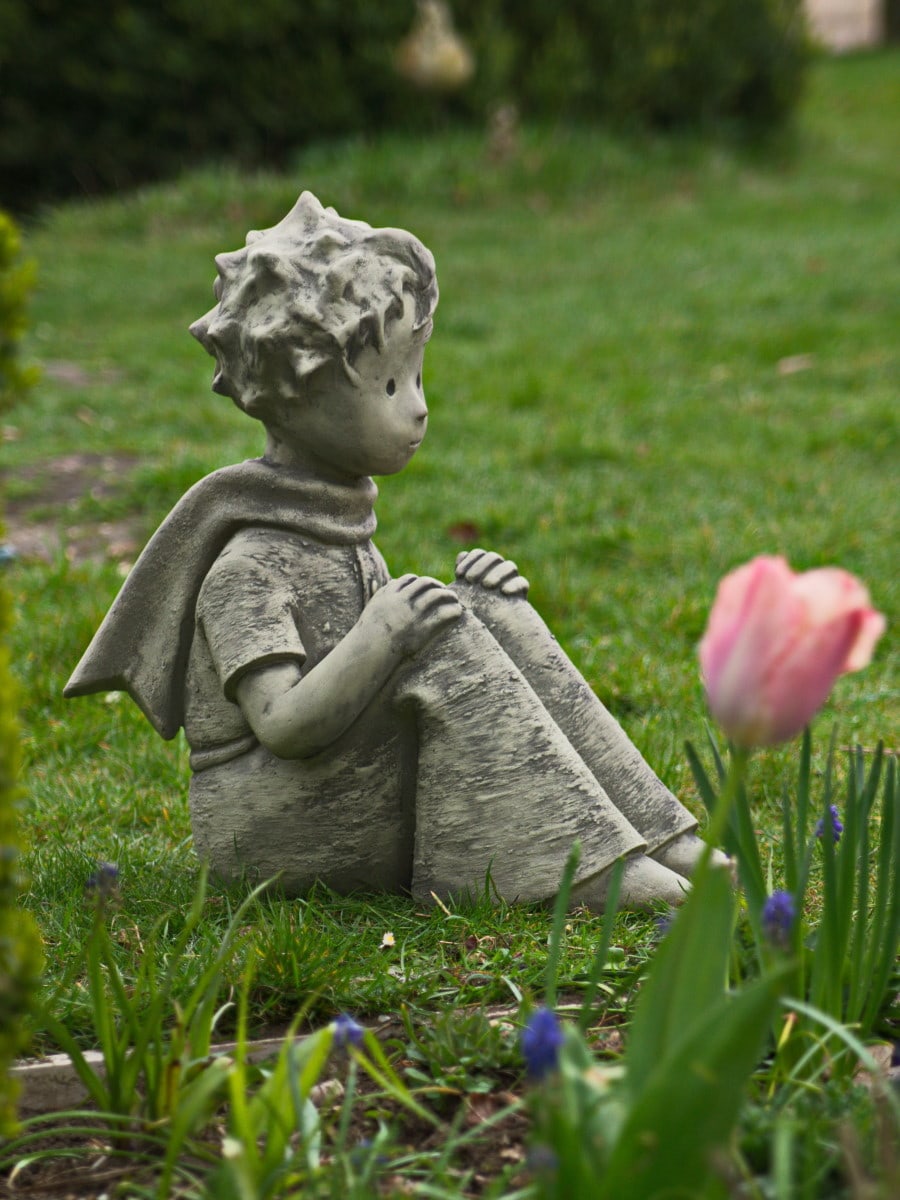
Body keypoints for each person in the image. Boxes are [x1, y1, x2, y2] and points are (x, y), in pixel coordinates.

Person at [66, 192, 715, 910]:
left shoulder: (331, 522)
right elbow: (282, 725)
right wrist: (382, 635)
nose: (419, 406)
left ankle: (650, 831)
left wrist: (468, 610)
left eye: (415, 376)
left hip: (340, 791)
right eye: (388, 385)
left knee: (480, 610)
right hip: (275, 829)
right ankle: (568, 869)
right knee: (434, 640)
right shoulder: (248, 567)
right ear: (295, 400)